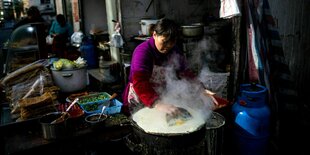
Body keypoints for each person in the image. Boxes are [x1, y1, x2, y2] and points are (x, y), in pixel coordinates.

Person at [122, 18, 218, 116]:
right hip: (141, 96)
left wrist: (200, 89)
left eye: (171, 42)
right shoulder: (143, 51)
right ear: (154, 35)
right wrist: (157, 103)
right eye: (164, 41)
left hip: (161, 95)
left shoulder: (174, 50)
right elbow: (140, 81)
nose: (168, 46)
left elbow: (185, 73)